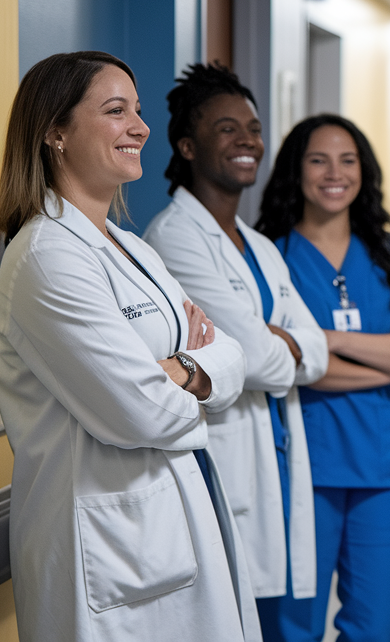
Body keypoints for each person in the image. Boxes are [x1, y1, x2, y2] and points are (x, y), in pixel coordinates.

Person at [0, 51, 259, 640]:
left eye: (137, 111)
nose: (140, 128)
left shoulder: (130, 247)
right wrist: (193, 370)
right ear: (54, 132)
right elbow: (141, 410)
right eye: (116, 111)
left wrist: (173, 369)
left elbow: (235, 355)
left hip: (171, 525)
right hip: (105, 552)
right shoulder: (46, 257)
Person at [143, 64, 329, 621]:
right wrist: (280, 346)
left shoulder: (259, 245)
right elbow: (263, 362)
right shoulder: (174, 238)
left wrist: (282, 347)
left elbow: (313, 352)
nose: (248, 139)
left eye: (252, 126)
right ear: (187, 145)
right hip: (223, 457)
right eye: (227, 128)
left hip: (275, 453)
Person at [254, 114, 390, 641]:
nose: (333, 173)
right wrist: (387, 357)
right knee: (294, 624)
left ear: (364, 171)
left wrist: (325, 342)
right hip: (301, 467)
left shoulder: (389, 254)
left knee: (373, 622)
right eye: (318, 160)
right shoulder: (269, 257)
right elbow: (280, 362)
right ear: (296, 170)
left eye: (347, 160)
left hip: (382, 470)